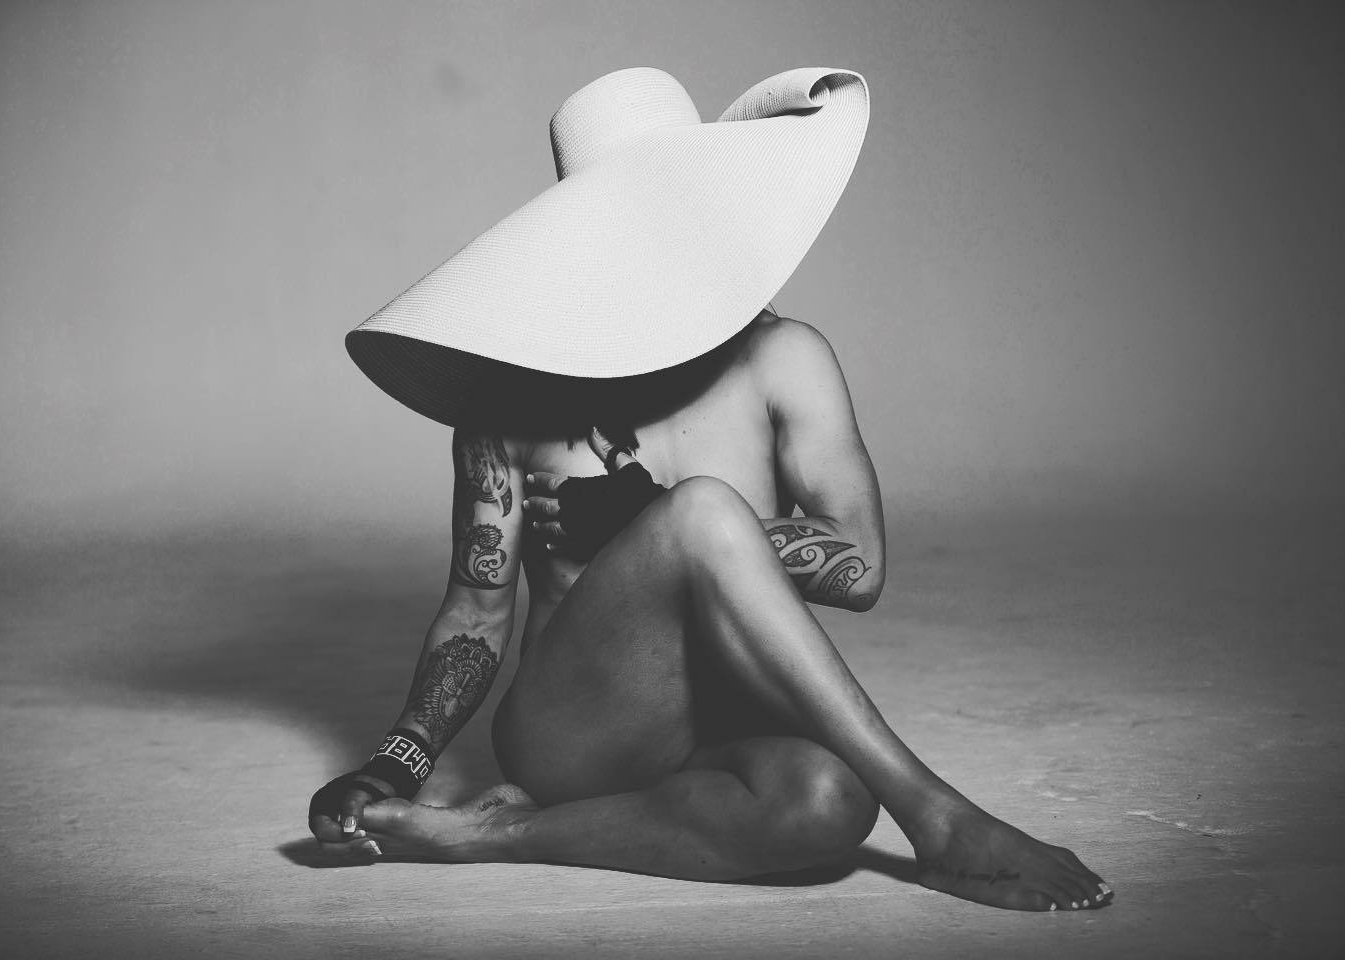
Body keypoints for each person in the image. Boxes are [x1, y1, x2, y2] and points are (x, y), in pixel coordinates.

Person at [311, 67, 1112, 912]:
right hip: (574, 735)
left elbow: (862, 566)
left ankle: (497, 835)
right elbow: (476, 613)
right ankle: (942, 819)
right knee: (698, 510)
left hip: (729, 722)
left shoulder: (783, 359)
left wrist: (636, 519)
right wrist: (394, 764)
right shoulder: (507, 406)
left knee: (828, 805)